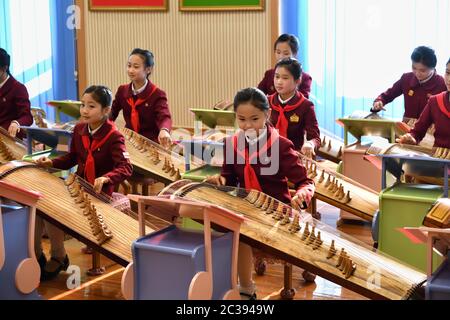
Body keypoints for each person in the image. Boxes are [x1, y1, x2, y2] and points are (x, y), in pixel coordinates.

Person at [205, 87, 315, 299]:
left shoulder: (281, 146)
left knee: (241, 229)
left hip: (277, 211)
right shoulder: (232, 144)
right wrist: (221, 180)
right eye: (241, 119)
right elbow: (228, 176)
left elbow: (305, 181)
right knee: (236, 228)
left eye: (254, 119)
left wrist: (302, 194)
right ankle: (246, 289)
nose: (247, 126)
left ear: (267, 115)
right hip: (246, 209)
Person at [34, 85, 133, 280]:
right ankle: (38, 254)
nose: (85, 111)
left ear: (106, 111)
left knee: (53, 208)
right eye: (83, 105)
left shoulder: (114, 136)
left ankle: (58, 255)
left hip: (100, 193)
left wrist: (107, 178)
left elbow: (126, 167)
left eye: (91, 106)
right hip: (79, 187)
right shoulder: (80, 129)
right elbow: (72, 158)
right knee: (40, 203)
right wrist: (52, 162)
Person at [110, 48, 172, 148]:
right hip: (129, 142)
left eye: (136, 67)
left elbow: (164, 116)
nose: (130, 70)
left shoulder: (157, 94)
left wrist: (164, 130)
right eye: (129, 65)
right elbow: (112, 113)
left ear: (148, 69)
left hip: (151, 144)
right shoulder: (122, 90)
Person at [372, 46, 446, 121]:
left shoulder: (443, 84)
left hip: (430, 130)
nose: (417, 73)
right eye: (414, 68)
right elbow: (388, 95)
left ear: (432, 68)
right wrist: (379, 102)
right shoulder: (406, 78)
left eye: (422, 70)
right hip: (406, 128)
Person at [268, 58, 320, 158]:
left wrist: (310, 144)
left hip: (294, 158)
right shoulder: (266, 102)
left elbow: (315, 138)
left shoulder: (306, 105)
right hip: (267, 157)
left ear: (298, 80)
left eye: (285, 78)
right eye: (277, 77)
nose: (279, 82)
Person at [397, 58, 450, 149]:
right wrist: (411, 138)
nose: (449, 79)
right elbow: (417, 132)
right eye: (448, 72)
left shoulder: (439, 83)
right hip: (438, 160)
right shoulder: (435, 101)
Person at [258, 34, 312, 99]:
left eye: (286, 53)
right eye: (278, 52)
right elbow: (258, 95)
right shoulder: (269, 74)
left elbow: (303, 102)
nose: (281, 57)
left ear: (295, 54)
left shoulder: (305, 78)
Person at [0, 48, 33, 138]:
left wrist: (17, 123)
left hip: (9, 138)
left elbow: (27, 117)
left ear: (4, 68)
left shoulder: (18, 88)